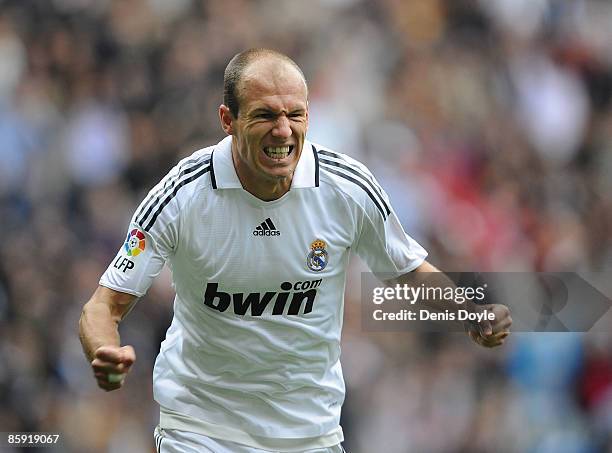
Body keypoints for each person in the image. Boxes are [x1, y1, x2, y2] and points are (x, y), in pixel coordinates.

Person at [79, 48, 512, 453]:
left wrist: (469, 312)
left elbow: (407, 270)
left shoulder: (346, 188)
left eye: (296, 115)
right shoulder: (182, 195)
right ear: (228, 119)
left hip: (310, 434)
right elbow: (103, 307)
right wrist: (104, 351)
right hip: (202, 429)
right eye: (266, 115)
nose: (283, 130)